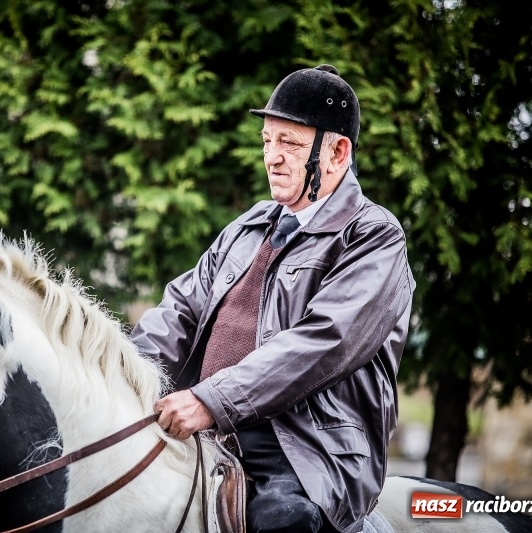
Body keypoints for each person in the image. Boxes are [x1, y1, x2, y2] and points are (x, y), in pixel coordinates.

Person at [131, 64, 415, 533]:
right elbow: (180, 308)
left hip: (306, 448)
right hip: (217, 428)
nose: (272, 157)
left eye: (290, 143)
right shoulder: (250, 224)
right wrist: (124, 372)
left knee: (283, 520)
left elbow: (323, 342)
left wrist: (210, 400)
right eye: (267, 141)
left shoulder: (373, 236)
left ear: (337, 152)